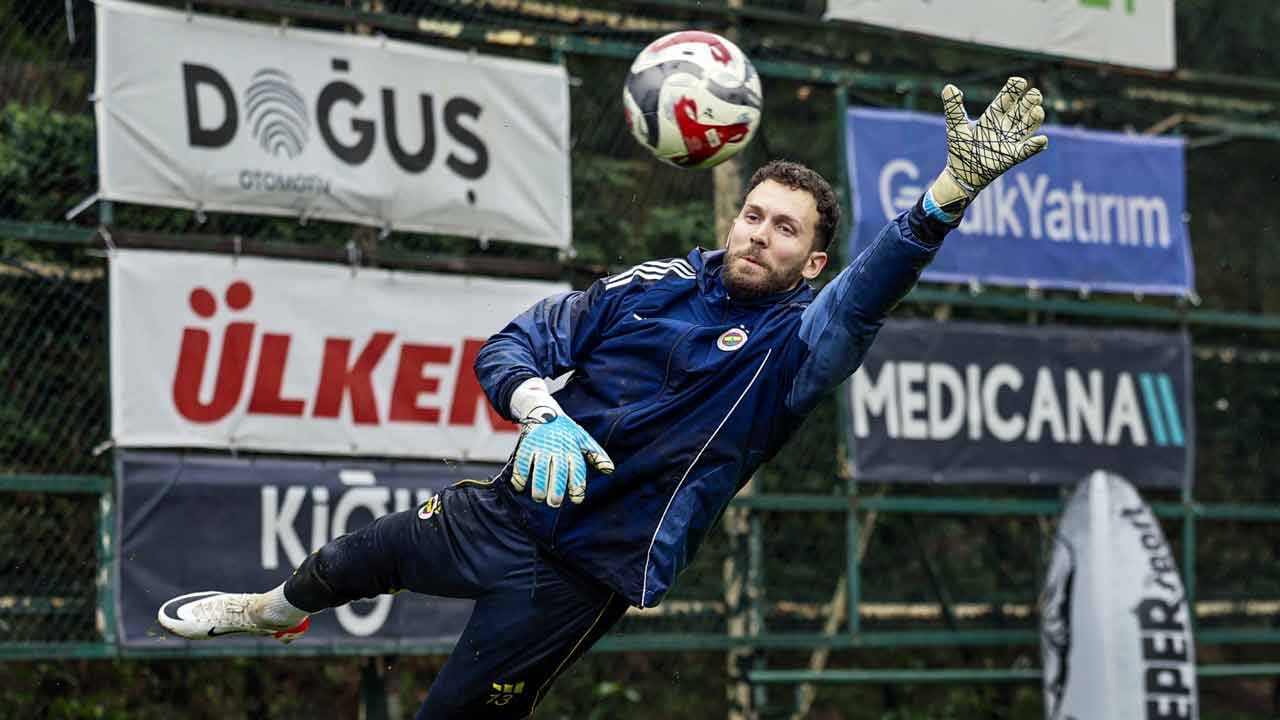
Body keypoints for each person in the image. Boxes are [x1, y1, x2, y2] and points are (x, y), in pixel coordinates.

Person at [158, 77, 1048, 718]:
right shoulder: (653, 283)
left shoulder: (800, 345)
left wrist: (944, 199)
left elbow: (867, 293)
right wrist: (538, 410)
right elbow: (515, 343)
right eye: (754, 214)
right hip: (504, 514)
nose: (760, 233)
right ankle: (270, 614)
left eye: (786, 230)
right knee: (350, 560)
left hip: (580, 580)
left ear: (810, 263)